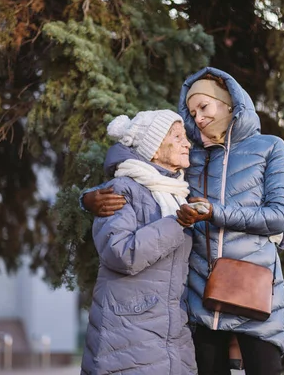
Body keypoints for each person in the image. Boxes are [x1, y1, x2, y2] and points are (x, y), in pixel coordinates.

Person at [81, 67, 284, 375]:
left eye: (204, 107)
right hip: (199, 298)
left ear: (229, 102)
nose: (198, 118)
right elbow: (142, 168)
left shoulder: (269, 148)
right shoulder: (191, 155)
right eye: (192, 112)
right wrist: (89, 197)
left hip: (254, 289)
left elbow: (279, 216)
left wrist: (214, 212)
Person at [80, 109, 197, 375]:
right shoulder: (123, 189)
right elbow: (119, 253)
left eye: (186, 137)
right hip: (127, 334)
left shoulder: (177, 192)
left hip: (171, 334)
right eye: (177, 137)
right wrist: (176, 223)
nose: (187, 143)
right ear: (154, 149)